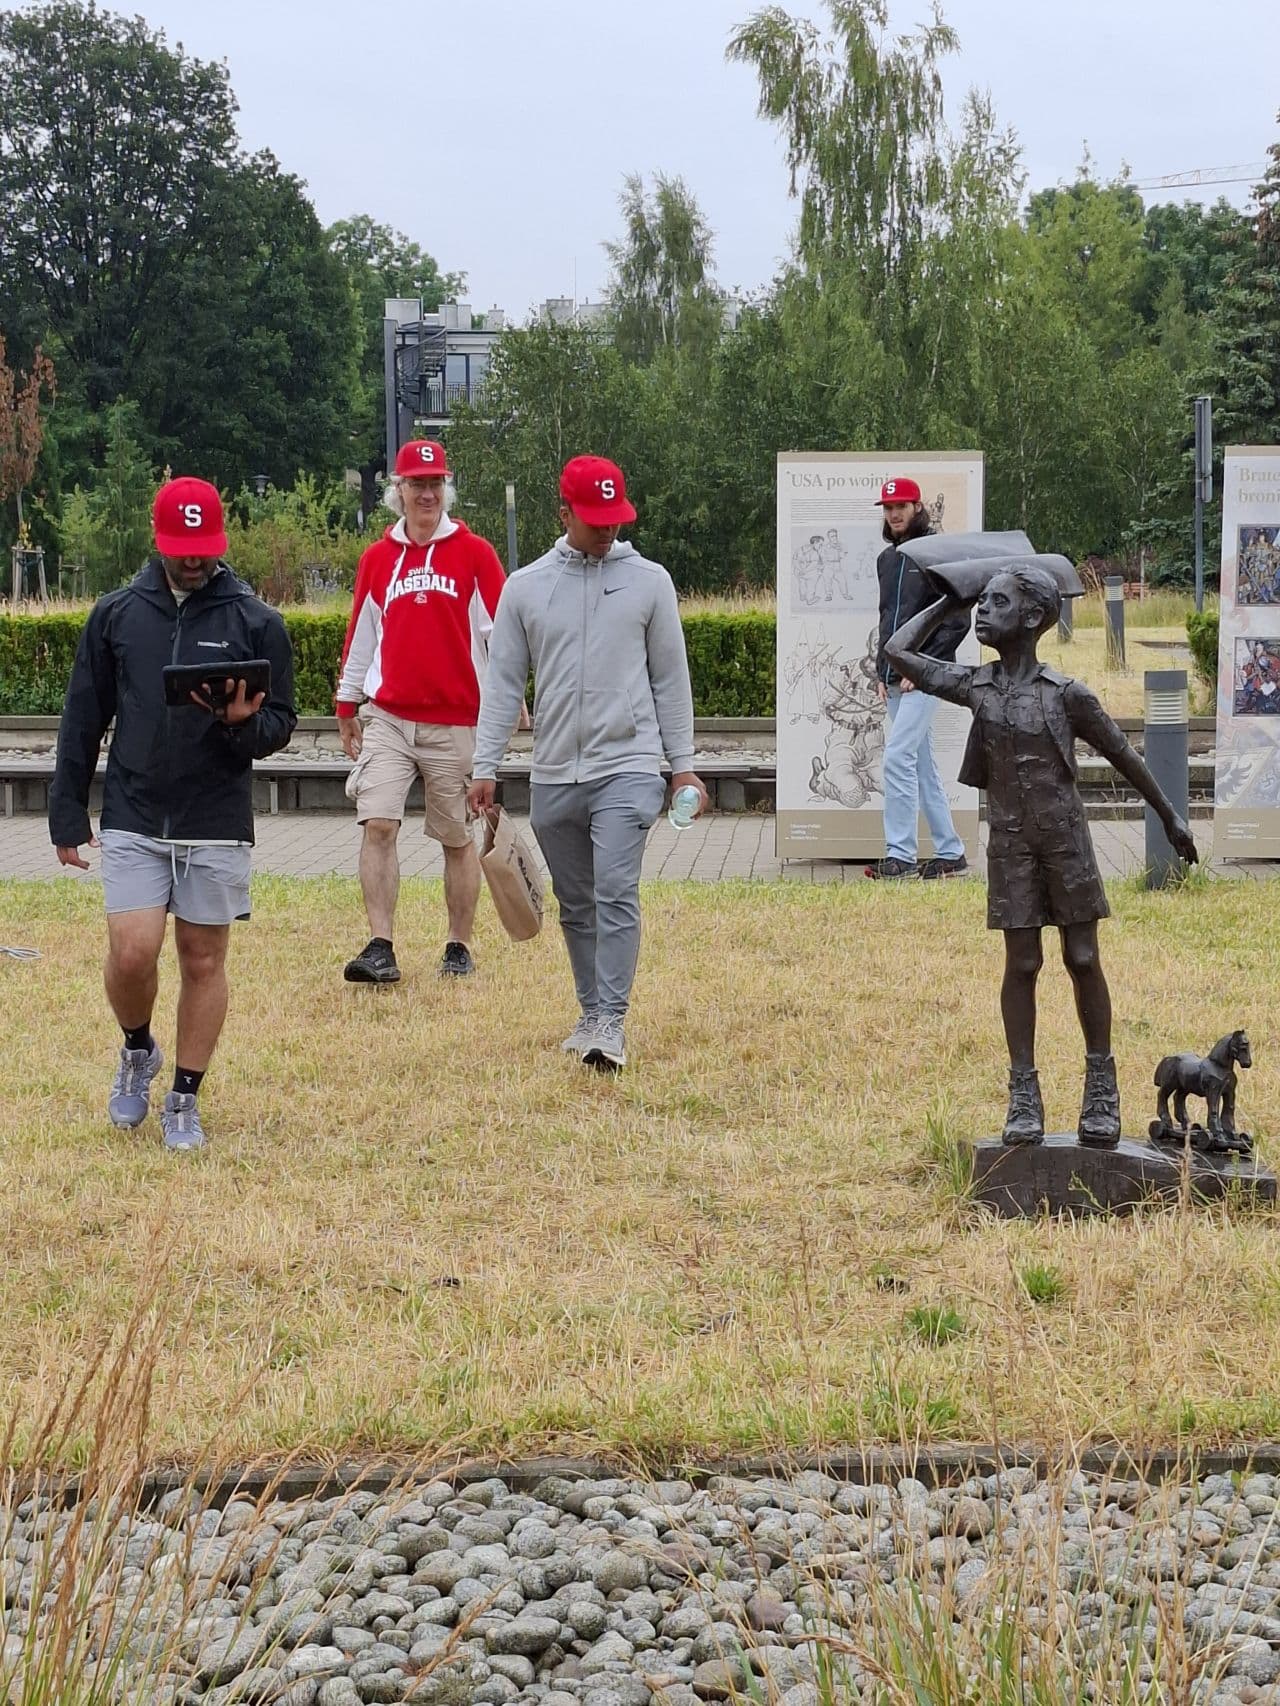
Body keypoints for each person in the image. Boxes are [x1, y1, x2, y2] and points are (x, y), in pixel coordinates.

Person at [885, 562, 1197, 1147]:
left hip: (1066, 841)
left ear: (1031, 618)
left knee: (1082, 958)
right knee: (1022, 964)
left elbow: (1124, 755)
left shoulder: (1068, 695)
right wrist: (952, 602)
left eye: (995, 603)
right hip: (1010, 843)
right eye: (983, 603)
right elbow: (898, 654)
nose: (984, 611)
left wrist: (1169, 815)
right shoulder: (976, 686)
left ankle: (1101, 1087)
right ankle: (1023, 1091)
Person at [49, 477, 297, 1150]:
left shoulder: (256, 621)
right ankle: (137, 1049)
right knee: (132, 953)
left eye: (205, 549)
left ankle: (184, 1095)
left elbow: (281, 722)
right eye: (182, 548)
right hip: (134, 809)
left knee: (203, 959)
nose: (195, 560)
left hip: (214, 814)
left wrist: (241, 725)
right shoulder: (117, 615)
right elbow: (83, 717)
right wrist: (66, 813)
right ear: (156, 540)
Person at [468, 455, 706, 1071]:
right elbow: (502, 684)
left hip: (628, 768)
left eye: (615, 519)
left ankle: (610, 1023)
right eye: (594, 519)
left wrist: (682, 766)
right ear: (563, 510)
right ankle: (589, 1010)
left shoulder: (651, 581)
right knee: (576, 902)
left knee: (617, 893)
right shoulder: (524, 587)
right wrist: (484, 766)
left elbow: (670, 680)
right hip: (553, 775)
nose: (607, 530)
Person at [336, 439, 508, 984]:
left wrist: (507, 697)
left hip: (458, 719)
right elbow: (361, 634)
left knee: (456, 837)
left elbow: (501, 635)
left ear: (446, 489)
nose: (427, 493)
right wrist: (347, 703)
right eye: (417, 483)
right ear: (399, 491)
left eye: (435, 483)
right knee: (379, 823)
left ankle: (458, 945)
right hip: (388, 717)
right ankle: (380, 945)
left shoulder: (475, 554)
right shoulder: (377, 559)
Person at [871, 477, 970, 880]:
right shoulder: (886, 560)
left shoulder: (935, 554)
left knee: (897, 758)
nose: (894, 513)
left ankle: (900, 856)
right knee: (922, 766)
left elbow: (958, 619)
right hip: (895, 676)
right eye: (888, 507)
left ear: (917, 508)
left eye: (902, 506)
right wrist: (883, 669)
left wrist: (923, 665)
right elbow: (886, 620)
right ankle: (950, 852)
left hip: (924, 676)